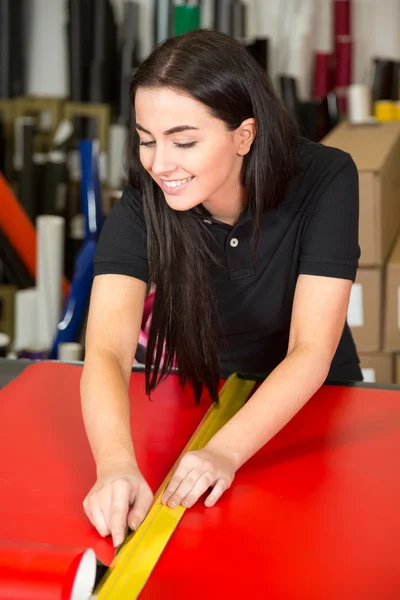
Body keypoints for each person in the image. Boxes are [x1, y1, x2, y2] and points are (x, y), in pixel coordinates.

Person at [81, 29, 362, 548]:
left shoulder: (325, 177)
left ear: (243, 135)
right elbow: (106, 348)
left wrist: (225, 452)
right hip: (202, 399)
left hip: (315, 403)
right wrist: (115, 464)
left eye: (184, 141)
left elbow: (310, 349)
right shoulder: (147, 197)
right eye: (147, 140)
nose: (160, 164)